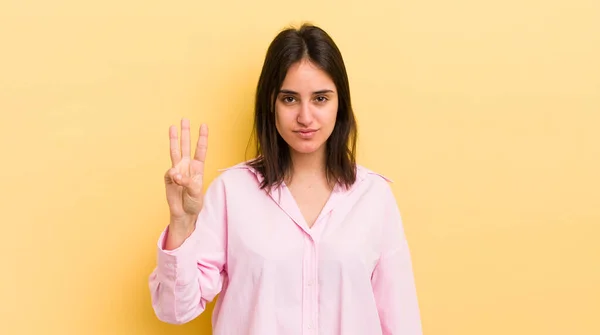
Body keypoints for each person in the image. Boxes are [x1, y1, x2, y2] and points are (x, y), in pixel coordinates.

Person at [149, 23, 422, 334]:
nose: (305, 117)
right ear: (271, 104)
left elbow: (401, 322)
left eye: (320, 99)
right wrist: (181, 222)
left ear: (340, 104)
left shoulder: (374, 197)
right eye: (290, 99)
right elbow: (175, 309)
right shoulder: (231, 193)